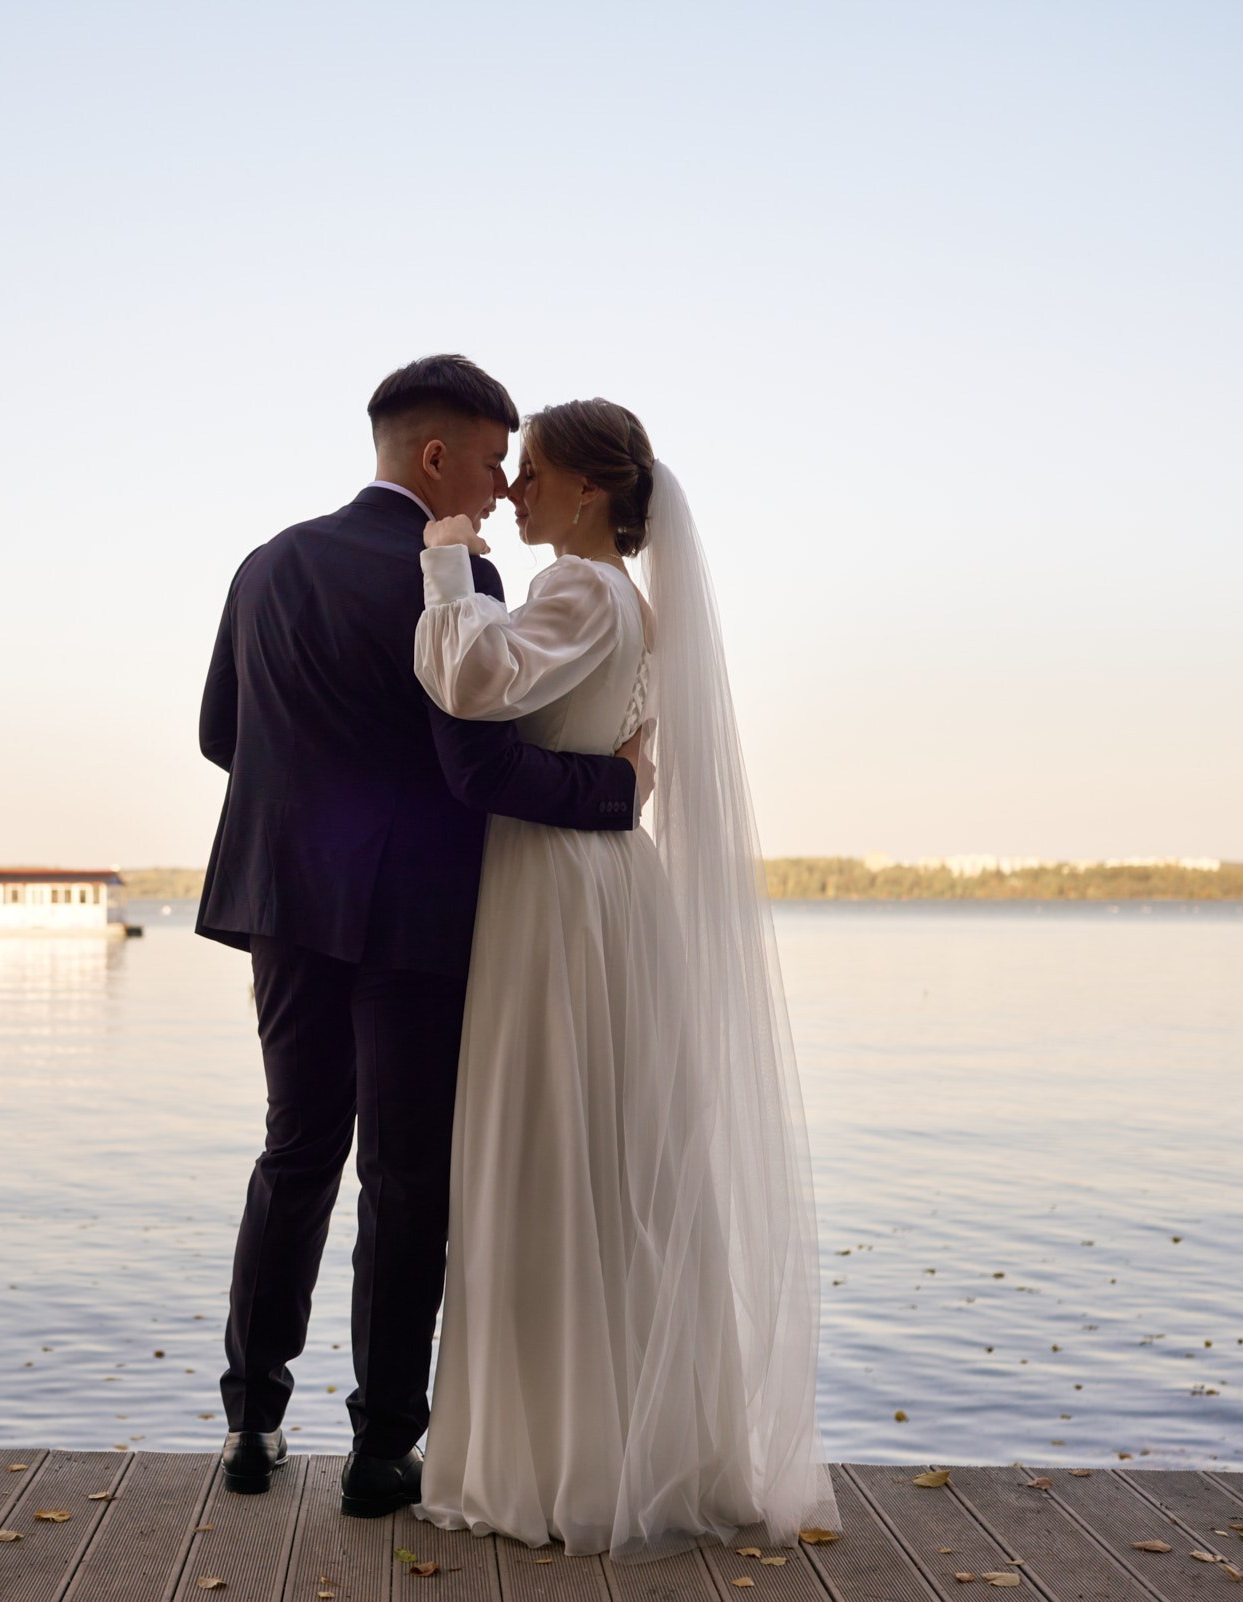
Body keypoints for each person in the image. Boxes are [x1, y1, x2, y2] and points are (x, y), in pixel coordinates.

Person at [195, 357, 649, 1518]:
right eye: (499, 459)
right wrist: (614, 792)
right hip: (418, 915)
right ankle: (382, 1449)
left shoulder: (268, 563)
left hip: (286, 904)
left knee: (294, 1153)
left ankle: (251, 1422)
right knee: (404, 1180)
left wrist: (307, 807)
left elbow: (218, 736)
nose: (504, 488)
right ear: (438, 455)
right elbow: (473, 754)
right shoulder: (462, 574)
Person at [410, 399, 835, 1558]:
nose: (512, 492)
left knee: (548, 1153)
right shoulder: (637, 605)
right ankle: (620, 1443)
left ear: (591, 490)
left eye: (533, 471)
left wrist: (450, 569)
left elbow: (477, 683)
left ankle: (545, 1465)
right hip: (607, 887)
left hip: (555, 892)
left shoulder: (581, 590)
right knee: (604, 1161)